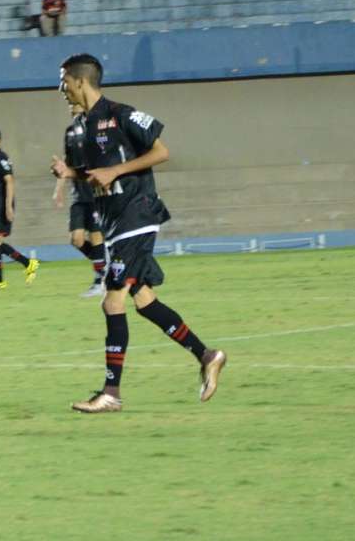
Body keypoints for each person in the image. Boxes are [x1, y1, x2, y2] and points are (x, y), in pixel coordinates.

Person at [51, 54, 227, 413]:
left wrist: (116, 170)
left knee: (112, 301)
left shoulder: (121, 113)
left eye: (64, 81)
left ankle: (111, 393)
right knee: (144, 301)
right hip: (116, 223)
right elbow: (99, 175)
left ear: (80, 81)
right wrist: (71, 174)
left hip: (138, 214)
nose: (61, 89)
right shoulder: (84, 126)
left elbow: (161, 151)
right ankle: (207, 355)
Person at [54, 102, 106, 297]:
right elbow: (66, 163)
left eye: (75, 103)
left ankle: (99, 280)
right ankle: (103, 264)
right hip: (77, 193)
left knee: (95, 235)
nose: (71, 106)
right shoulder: (69, 131)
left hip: (94, 190)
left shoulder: (94, 127)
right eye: (69, 104)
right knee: (75, 239)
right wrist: (58, 189)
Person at [0, 127, 39, 289]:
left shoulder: (1, 158)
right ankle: (27, 264)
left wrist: (8, 207)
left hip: (1, 204)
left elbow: (9, 181)